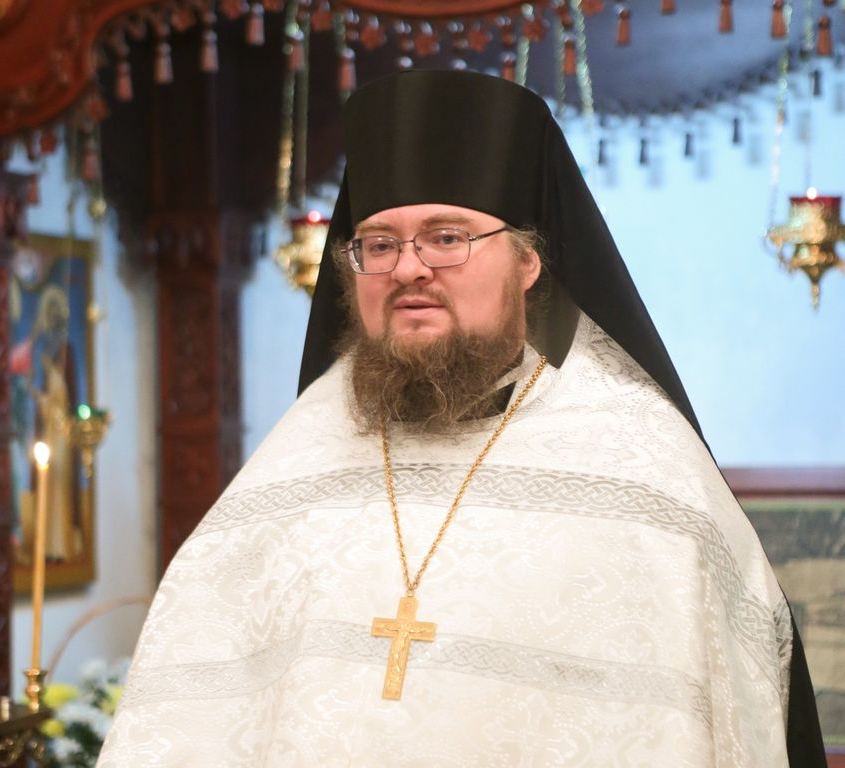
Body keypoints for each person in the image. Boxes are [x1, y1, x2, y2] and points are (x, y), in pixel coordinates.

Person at [99, 70, 825, 766]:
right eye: (379, 244)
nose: (408, 268)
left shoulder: (644, 468)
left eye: (447, 237)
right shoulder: (289, 469)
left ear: (528, 263)